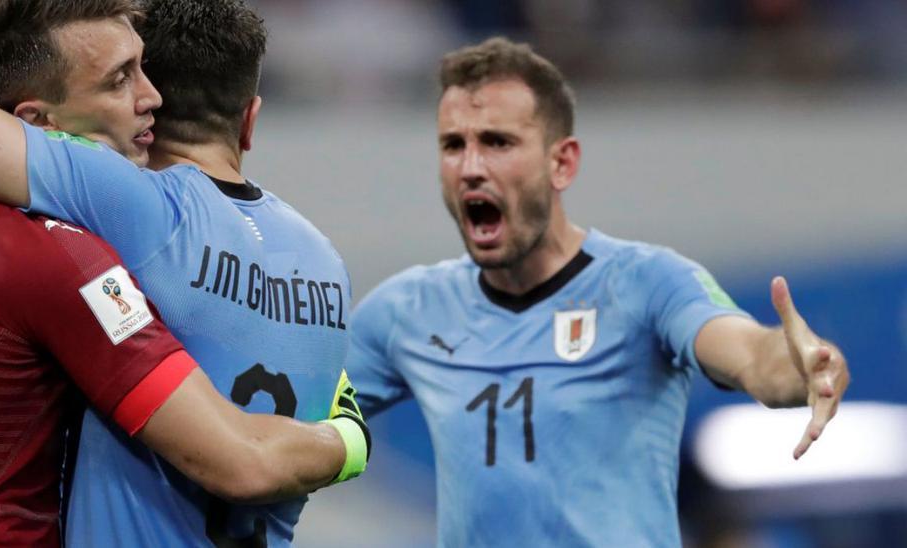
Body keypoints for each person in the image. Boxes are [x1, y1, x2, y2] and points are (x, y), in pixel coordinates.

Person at [0, 2, 368, 547]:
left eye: (142, 71)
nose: (149, 95)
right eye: (121, 79)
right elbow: (245, 460)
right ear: (250, 121)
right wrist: (350, 436)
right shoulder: (323, 260)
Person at [343, 37, 851, 547]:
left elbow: (749, 354)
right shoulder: (404, 312)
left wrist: (801, 367)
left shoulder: (644, 282)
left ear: (561, 163)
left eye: (498, 142)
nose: (471, 167)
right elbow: (301, 424)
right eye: (453, 144)